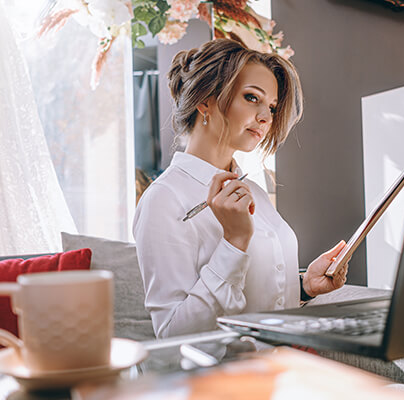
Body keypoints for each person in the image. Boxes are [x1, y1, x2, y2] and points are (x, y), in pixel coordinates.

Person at [133, 39, 349, 338]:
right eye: (252, 98)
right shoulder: (164, 200)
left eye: (272, 107)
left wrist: (304, 286)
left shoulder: (254, 192)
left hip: (280, 367)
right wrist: (234, 242)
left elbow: (257, 299)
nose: (266, 117)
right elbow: (173, 339)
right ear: (205, 99)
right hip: (225, 382)